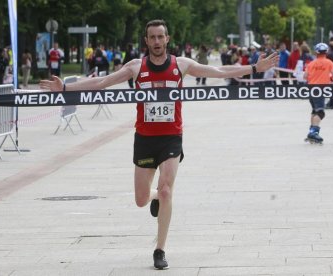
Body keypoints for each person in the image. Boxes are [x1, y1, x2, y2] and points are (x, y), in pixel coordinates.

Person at [39, 19, 278, 270]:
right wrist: (66, 87)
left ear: (167, 39)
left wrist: (253, 67)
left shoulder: (181, 65)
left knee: (166, 190)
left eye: (160, 37)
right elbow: (102, 82)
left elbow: (218, 72)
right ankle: (154, 199)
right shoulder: (135, 67)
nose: (156, 42)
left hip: (171, 137)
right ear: (146, 40)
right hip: (144, 139)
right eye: (151, 37)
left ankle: (160, 249)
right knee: (141, 199)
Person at [304, 43, 333, 144]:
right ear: (326, 52)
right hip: (321, 89)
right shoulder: (329, 62)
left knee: (314, 111)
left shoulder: (311, 63)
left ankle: (311, 132)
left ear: (316, 52)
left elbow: (305, 76)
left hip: (311, 89)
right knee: (320, 112)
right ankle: (313, 133)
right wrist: (329, 78)